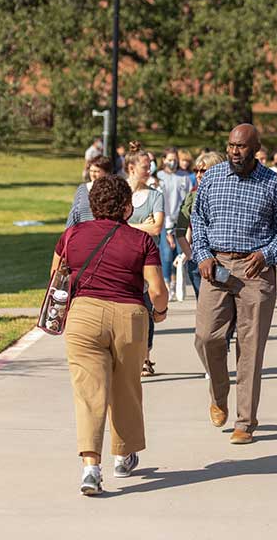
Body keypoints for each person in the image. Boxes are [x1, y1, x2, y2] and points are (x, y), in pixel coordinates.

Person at [51, 175, 168, 495]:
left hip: (83, 316)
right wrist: (159, 312)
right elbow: (157, 290)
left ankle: (91, 468)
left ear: (92, 205)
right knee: (126, 387)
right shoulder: (141, 241)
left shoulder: (72, 235)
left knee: (88, 392)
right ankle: (122, 454)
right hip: (128, 317)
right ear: (127, 208)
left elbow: (56, 277)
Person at [191, 124, 277, 445]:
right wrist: (202, 255)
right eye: (231, 146)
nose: (236, 151)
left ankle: (245, 422)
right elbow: (198, 219)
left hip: (255, 271)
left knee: (249, 350)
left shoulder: (273, 184)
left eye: (242, 147)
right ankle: (219, 394)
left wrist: (268, 254)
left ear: (256, 148)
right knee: (206, 337)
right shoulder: (212, 177)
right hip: (217, 268)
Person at [125, 142, 165, 377]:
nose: (149, 170)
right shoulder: (121, 193)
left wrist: (127, 227)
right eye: (144, 166)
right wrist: (143, 226)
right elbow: (112, 225)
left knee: (147, 307)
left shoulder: (155, 196)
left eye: (150, 166)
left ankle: (145, 357)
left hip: (148, 260)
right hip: (124, 260)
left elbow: (157, 227)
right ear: (131, 168)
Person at [176, 152, 226, 298]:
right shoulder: (192, 196)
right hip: (199, 263)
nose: (198, 175)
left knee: (226, 310)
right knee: (205, 312)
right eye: (196, 171)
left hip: (223, 261)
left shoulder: (227, 197)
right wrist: (191, 256)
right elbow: (179, 231)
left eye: (203, 171)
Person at [156, 148, 194, 299]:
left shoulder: (184, 177)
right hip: (164, 220)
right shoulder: (159, 177)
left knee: (180, 254)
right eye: (169, 159)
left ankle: (175, 282)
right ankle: (166, 283)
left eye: (174, 159)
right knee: (166, 254)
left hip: (181, 221)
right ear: (164, 159)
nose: (172, 162)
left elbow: (189, 200)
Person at [67, 156, 114, 228]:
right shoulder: (82, 189)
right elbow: (73, 214)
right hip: (82, 234)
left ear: (107, 173)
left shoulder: (113, 191)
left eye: (96, 171)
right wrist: (68, 234)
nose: (93, 174)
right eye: (91, 171)